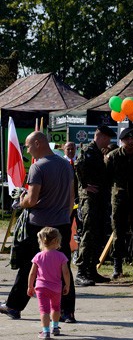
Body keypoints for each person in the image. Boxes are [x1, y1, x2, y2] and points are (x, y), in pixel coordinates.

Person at [0, 132, 77, 323]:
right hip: (62, 223)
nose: (28, 150)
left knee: (30, 264)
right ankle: (68, 312)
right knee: (63, 265)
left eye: (28, 146)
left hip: (40, 225)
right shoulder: (66, 165)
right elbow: (71, 198)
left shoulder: (37, 167)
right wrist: (65, 218)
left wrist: (20, 202)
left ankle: (14, 306)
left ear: (37, 143)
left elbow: (32, 199)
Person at [105, 126, 133, 278]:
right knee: (118, 232)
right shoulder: (113, 156)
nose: (130, 142)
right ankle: (117, 266)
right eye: (127, 139)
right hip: (119, 198)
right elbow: (107, 178)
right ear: (122, 141)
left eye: (132, 139)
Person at [74, 124, 114, 286]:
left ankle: (92, 269)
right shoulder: (88, 151)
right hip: (89, 199)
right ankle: (82, 271)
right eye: (108, 139)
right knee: (88, 233)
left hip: (100, 199)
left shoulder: (98, 152)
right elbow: (78, 165)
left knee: (98, 233)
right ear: (102, 137)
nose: (109, 142)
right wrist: (84, 185)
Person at [27, 227, 70, 339]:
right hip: (56, 287)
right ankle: (55, 327)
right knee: (56, 308)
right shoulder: (61, 256)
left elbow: (32, 273)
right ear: (56, 241)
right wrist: (67, 285)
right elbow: (66, 272)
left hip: (41, 288)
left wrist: (30, 286)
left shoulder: (38, 256)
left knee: (44, 310)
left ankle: (45, 332)